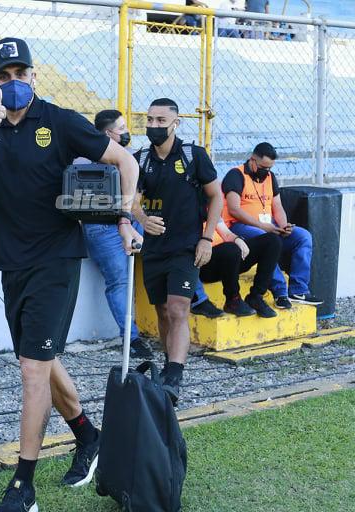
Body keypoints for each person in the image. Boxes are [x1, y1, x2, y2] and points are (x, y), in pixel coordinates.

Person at [0, 37, 141, 512]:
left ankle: (22, 486)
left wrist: (126, 216)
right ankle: (89, 436)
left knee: (32, 368)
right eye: (3, 76)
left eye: (20, 74)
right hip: (12, 263)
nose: (13, 83)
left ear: (34, 76)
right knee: (42, 360)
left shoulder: (59, 120)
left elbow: (125, 160)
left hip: (56, 259)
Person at [132, 98, 223, 405]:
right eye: (150, 120)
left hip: (186, 248)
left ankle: (174, 374)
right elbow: (131, 200)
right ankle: (170, 364)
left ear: (175, 123)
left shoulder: (194, 155)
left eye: (161, 121)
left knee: (178, 309)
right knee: (161, 312)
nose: (154, 126)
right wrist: (143, 219)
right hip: (154, 249)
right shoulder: (141, 159)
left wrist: (206, 239)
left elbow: (217, 197)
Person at [82, 109, 152, 358]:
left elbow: (138, 198)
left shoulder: (130, 159)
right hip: (103, 228)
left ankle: (196, 300)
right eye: (121, 128)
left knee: (172, 247)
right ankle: (131, 340)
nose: (126, 133)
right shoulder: (86, 160)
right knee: (119, 282)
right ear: (106, 133)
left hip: (134, 221)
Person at [222, 142, 323, 310]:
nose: (266, 171)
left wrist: (284, 226)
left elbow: (277, 206)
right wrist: (263, 226)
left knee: (303, 236)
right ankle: (280, 292)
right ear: (252, 160)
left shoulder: (270, 177)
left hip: (269, 226)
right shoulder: (236, 175)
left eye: (269, 168)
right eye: (263, 167)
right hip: (241, 227)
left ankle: (298, 290)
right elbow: (234, 210)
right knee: (266, 239)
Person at [198, 217, 282, 317]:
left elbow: (226, 233)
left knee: (272, 240)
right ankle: (233, 300)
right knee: (231, 249)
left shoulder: (211, 210)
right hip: (205, 264)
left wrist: (237, 239)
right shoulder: (186, 211)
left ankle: (256, 296)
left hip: (230, 259)